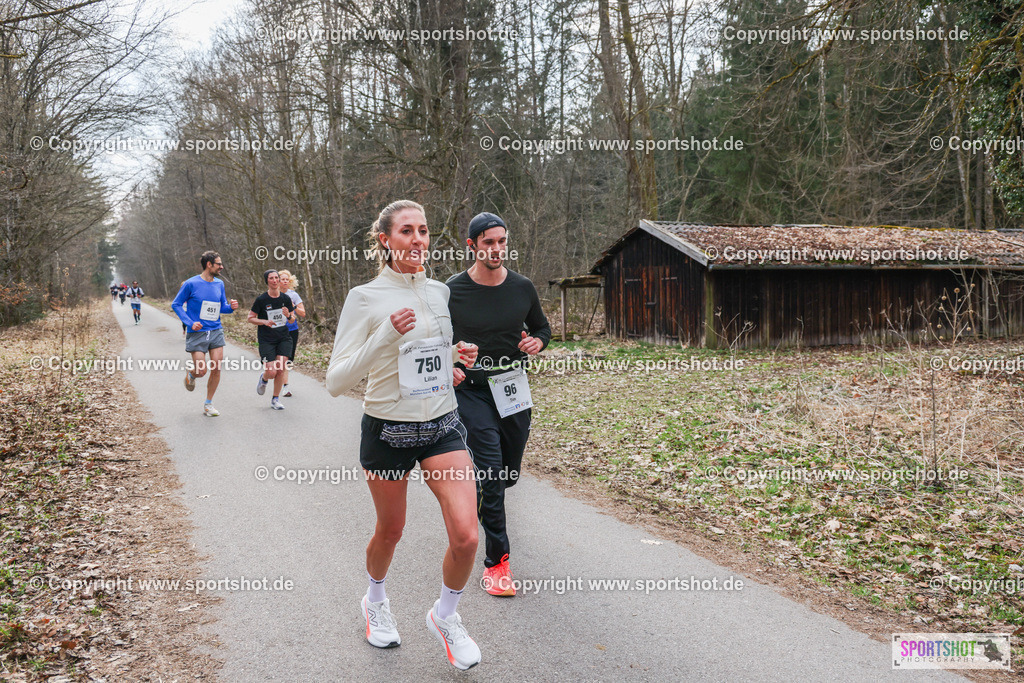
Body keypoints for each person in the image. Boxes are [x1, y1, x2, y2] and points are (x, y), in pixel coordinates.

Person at [326, 200, 482, 670]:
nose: (418, 240)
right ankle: (375, 600)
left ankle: (445, 616)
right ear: (386, 240)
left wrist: (454, 360)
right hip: (388, 429)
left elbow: (424, 359)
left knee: (467, 536)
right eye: (407, 231)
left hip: (442, 425)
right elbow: (336, 381)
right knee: (391, 530)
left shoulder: (439, 291)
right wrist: (384, 336)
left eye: (424, 231)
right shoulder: (365, 298)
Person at [446, 211, 551, 597]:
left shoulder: (522, 287)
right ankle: (497, 563)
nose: (496, 249)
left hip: (512, 389)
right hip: (471, 391)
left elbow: (542, 327)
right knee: (491, 472)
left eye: (501, 241)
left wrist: (537, 342)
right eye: (488, 242)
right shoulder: (452, 291)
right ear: (472, 246)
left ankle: (475, 503)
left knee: (506, 475)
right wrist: (449, 363)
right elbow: (437, 339)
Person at [171, 251, 239, 417]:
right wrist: (190, 323)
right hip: (197, 332)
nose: (222, 267)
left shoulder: (219, 284)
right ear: (209, 264)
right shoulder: (191, 284)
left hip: (215, 330)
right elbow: (176, 304)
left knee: (216, 367)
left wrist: (231, 307)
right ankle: (191, 374)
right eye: (219, 264)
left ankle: (208, 404)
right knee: (201, 371)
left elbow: (222, 307)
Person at [248, 270, 294, 410]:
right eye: (271, 278)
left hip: (283, 338)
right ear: (267, 281)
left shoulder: (286, 298)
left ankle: (275, 399)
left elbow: (292, 320)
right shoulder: (261, 300)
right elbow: (250, 318)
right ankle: (264, 378)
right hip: (267, 339)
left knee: (280, 369)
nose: (274, 280)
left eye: (276, 278)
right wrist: (264, 321)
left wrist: (288, 315)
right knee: (272, 372)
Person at [277, 270, 305, 397]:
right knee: (279, 359)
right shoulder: (273, 294)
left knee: (287, 359)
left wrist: (293, 306)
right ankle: (277, 381)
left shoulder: (294, 295)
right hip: (276, 330)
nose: (285, 281)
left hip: (291, 330)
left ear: (290, 281)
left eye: (287, 279)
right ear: (278, 281)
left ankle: (284, 385)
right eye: (282, 279)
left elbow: (303, 313)